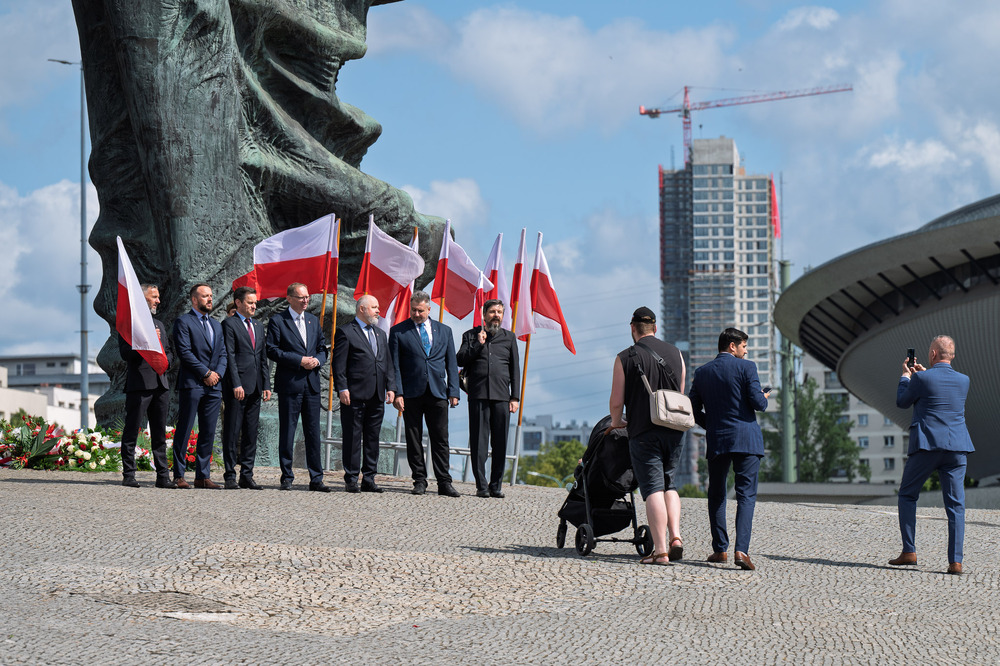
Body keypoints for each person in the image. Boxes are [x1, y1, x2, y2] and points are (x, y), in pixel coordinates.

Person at [889, 335, 974, 575]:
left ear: (933, 354)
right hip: (957, 448)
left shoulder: (921, 378)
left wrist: (906, 377)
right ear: (953, 356)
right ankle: (955, 562)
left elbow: (902, 402)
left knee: (907, 494)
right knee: (956, 506)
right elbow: (941, 390)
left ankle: (909, 551)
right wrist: (924, 375)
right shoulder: (964, 380)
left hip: (927, 445)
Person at [609, 306, 686, 565]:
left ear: (633, 328)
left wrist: (618, 422)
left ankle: (661, 551)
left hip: (644, 430)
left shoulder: (625, 357)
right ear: (656, 328)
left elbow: (617, 402)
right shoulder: (676, 353)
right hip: (675, 430)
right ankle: (675, 536)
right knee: (670, 484)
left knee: (653, 488)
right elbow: (680, 392)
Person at [689, 327, 769, 571]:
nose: (746, 352)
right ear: (732, 346)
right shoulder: (747, 367)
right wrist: (764, 397)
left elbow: (691, 409)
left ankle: (720, 549)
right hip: (747, 438)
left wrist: (711, 425)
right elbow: (758, 403)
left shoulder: (702, 373)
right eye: (744, 346)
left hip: (718, 439)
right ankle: (741, 551)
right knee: (745, 495)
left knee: (717, 494)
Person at [389, 291, 461, 497]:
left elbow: (451, 363)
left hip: (438, 392)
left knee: (440, 438)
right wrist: (397, 393)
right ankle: (419, 480)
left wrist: (453, 391)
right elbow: (395, 366)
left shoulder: (445, 331)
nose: (416, 314)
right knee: (413, 438)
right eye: (413, 310)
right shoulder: (398, 332)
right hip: (411, 393)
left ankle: (444, 482)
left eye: (420, 310)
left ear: (429, 309)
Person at [265, 282, 330, 492]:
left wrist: (317, 361)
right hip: (290, 385)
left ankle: (316, 478)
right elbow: (272, 350)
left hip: (311, 385)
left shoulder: (312, 321)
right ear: (290, 298)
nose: (306, 301)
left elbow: (322, 348)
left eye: (307, 297)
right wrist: (299, 360)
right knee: (288, 432)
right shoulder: (278, 321)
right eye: (301, 297)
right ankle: (287, 477)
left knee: (313, 433)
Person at [457, 299, 520, 498]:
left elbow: (515, 370)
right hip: (478, 396)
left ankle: (496, 485)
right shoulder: (470, 335)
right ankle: (481, 486)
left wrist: (515, 397)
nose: (496, 315)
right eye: (492, 311)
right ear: (484, 315)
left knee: (500, 443)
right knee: (479, 443)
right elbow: (459, 359)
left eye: (499, 312)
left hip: (502, 397)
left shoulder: (509, 338)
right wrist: (478, 344)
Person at [334, 294, 395, 493]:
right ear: (362, 309)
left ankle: (369, 478)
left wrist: (391, 387)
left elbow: (387, 363)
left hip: (377, 394)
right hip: (354, 395)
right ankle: (351, 478)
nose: (378, 311)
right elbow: (339, 364)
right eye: (375, 307)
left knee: (372, 438)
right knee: (352, 437)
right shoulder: (345, 332)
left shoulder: (380, 334)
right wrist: (342, 388)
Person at [117, 284, 176, 489]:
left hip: (161, 383)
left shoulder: (159, 324)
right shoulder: (129, 324)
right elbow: (125, 353)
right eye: (154, 297)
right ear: (142, 299)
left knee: (159, 433)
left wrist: (166, 360)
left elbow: (168, 351)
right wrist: (144, 344)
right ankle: (129, 474)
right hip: (139, 384)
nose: (158, 301)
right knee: (132, 430)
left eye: (158, 297)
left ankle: (163, 476)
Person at [170, 283, 227, 489]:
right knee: (185, 429)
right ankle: (179, 475)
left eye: (211, 296)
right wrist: (205, 373)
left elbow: (223, 353)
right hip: (193, 383)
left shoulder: (217, 325)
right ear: (194, 300)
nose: (210, 299)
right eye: (205, 296)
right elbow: (184, 353)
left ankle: (203, 476)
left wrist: (217, 374)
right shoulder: (183, 322)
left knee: (208, 431)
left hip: (214, 386)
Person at [220, 286, 271, 490]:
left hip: (256, 386)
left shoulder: (258, 325)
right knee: (232, 431)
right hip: (237, 387)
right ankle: (230, 474)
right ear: (239, 303)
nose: (253, 306)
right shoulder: (229, 324)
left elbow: (262, 356)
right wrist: (236, 383)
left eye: (255, 303)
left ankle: (247, 474)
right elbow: (229, 355)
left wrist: (266, 384)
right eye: (250, 302)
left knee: (251, 432)